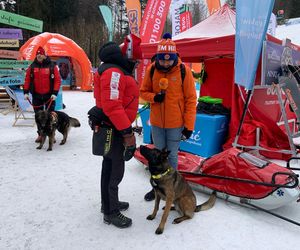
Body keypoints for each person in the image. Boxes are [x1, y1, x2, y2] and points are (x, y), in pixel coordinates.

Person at [92, 33, 142, 228]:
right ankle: (111, 212)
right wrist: (127, 133)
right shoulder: (114, 72)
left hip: (114, 126)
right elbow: (113, 106)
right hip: (114, 128)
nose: (137, 64)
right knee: (115, 170)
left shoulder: (117, 70)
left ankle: (109, 204)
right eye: (136, 61)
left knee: (110, 168)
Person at [140, 33, 197, 201]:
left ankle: (171, 187)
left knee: (171, 156)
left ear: (174, 57)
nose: (166, 63)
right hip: (157, 122)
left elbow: (191, 99)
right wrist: (154, 97)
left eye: (169, 60)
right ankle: (157, 187)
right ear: (157, 57)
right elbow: (143, 92)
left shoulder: (183, 71)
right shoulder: (151, 70)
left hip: (175, 123)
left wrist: (189, 126)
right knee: (157, 155)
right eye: (163, 60)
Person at [23, 46, 61, 142]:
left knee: (51, 117)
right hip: (37, 95)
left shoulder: (52, 66)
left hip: (50, 96)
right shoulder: (32, 66)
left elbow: (57, 80)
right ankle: (40, 135)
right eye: (37, 54)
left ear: (44, 55)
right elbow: (27, 80)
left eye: (41, 54)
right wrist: (26, 92)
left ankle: (52, 135)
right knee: (38, 117)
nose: (39, 56)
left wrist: (55, 93)